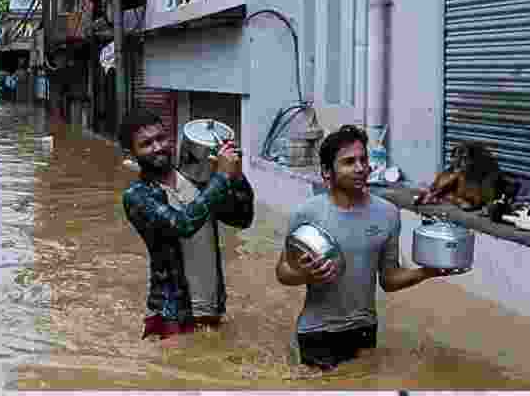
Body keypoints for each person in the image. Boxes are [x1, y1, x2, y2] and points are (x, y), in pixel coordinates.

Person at [275, 125, 469, 370]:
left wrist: (428, 272)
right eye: (349, 162)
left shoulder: (387, 214)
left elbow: (389, 279)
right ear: (326, 172)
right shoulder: (307, 213)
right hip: (317, 332)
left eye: (363, 160)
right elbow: (282, 272)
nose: (360, 168)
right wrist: (304, 273)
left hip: (364, 329)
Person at [121, 109, 255, 340]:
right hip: (170, 316)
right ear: (131, 153)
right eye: (146, 144)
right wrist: (222, 177)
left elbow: (242, 219)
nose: (157, 147)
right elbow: (182, 224)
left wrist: (237, 176)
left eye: (161, 138)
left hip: (211, 310)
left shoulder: (201, 182)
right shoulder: (137, 196)